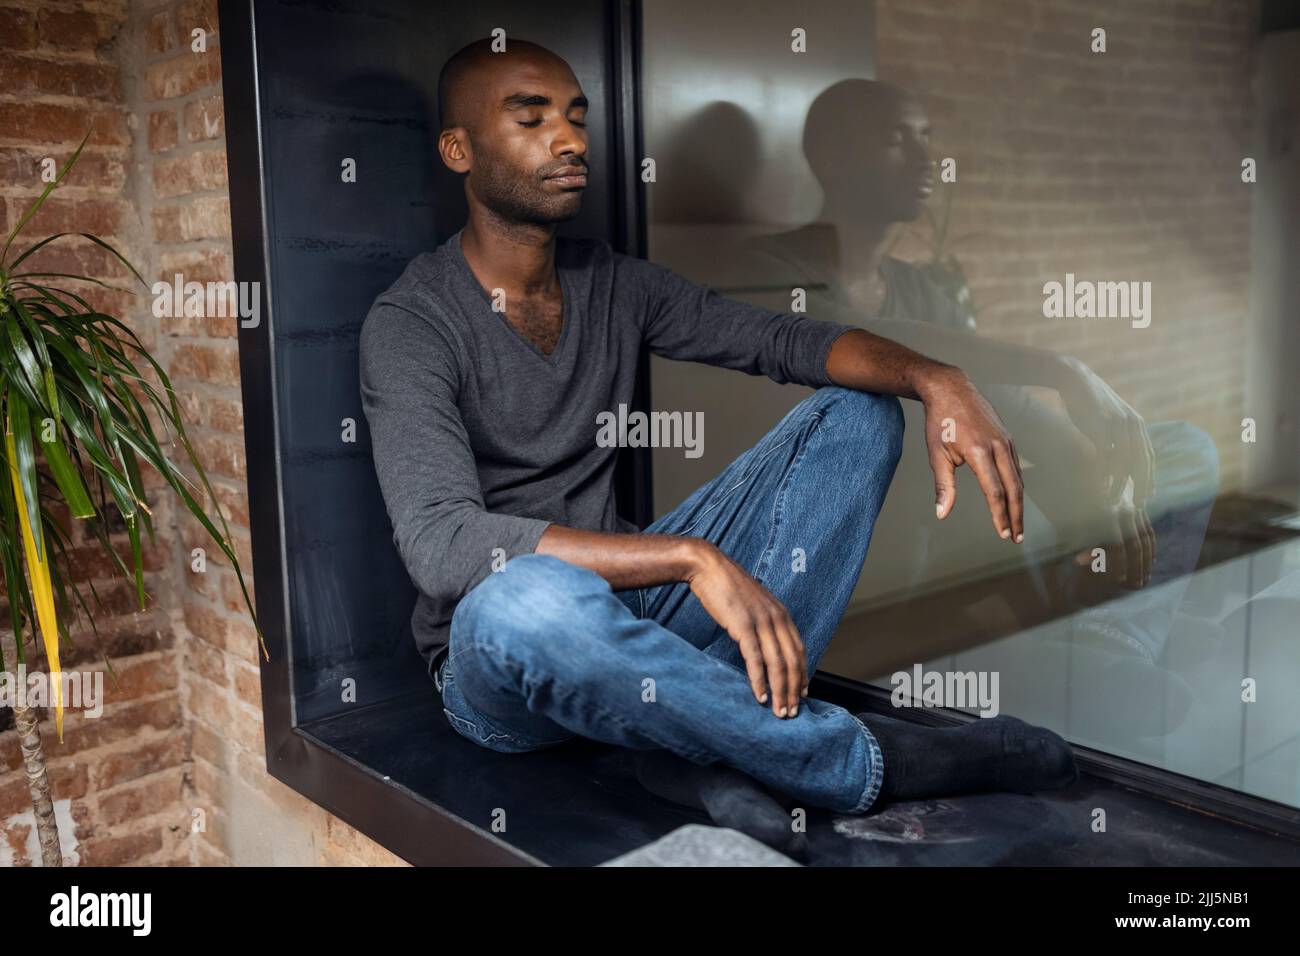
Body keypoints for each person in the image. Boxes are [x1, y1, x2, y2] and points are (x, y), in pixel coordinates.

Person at [358, 39, 1078, 833]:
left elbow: (784, 341)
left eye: (576, 118)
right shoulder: (412, 322)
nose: (569, 140)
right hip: (503, 664)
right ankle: (861, 761)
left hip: (638, 615)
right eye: (532, 120)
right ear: (459, 150)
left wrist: (936, 377)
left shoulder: (615, 283)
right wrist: (690, 557)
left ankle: (704, 746)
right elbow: (443, 545)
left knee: (860, 411)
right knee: (526, 598)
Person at [746, 80, 1221, 737]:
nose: (925, 160)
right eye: (895, 139)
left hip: (979, 520)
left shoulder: (921, 288)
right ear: (829, 156)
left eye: (926, 139)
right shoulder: (771, 271)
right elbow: (854, 337)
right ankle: (1065, 651)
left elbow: (1011, 407)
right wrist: (1062, 368)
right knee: (964, 472)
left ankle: (1105, 638)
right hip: (890, 542)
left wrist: (1108, 480)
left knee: (1184, 450)